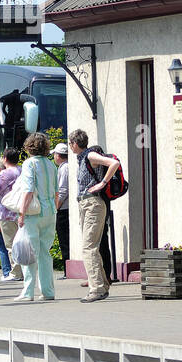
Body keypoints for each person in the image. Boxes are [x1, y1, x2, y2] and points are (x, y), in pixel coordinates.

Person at [68, 129, 121, 303]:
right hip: (86, 203)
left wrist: (102, 184)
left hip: (93, 204)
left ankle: (97, 289)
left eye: (70, 144)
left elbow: (113, 163)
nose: (70, 147)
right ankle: (102, 285)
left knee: (88, 247)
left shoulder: (90, 155)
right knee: (92, 247)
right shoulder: (83, 158)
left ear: (75, 143)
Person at [15, 132, 60, 302]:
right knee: (44, 253)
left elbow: (28, 190)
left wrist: (22, 213)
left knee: (30, 251)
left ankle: (28, 292)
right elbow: (56, 192)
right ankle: (48, 291)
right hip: (50, 212)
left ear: (29, 147)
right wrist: (53, 209)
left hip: (34, 213)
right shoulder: (51, 165)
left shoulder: (29, 164)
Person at [0, 148, 23, 282]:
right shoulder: (21, 170)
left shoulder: (5, 173)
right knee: (21, 241)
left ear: (5, 159)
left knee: (11, 244)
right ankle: (22, 271)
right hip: (19, 210)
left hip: (5, 211)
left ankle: (15, 272)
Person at [53, 142, 70, 270]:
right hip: (66, 208)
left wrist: (56, 207)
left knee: (64, 239)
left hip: (63, 209)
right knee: (65, 239)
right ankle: (66, 266)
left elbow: (63, 190)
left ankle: (66, 268)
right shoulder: (66, 166)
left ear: (58, 155)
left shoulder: (64, 168)